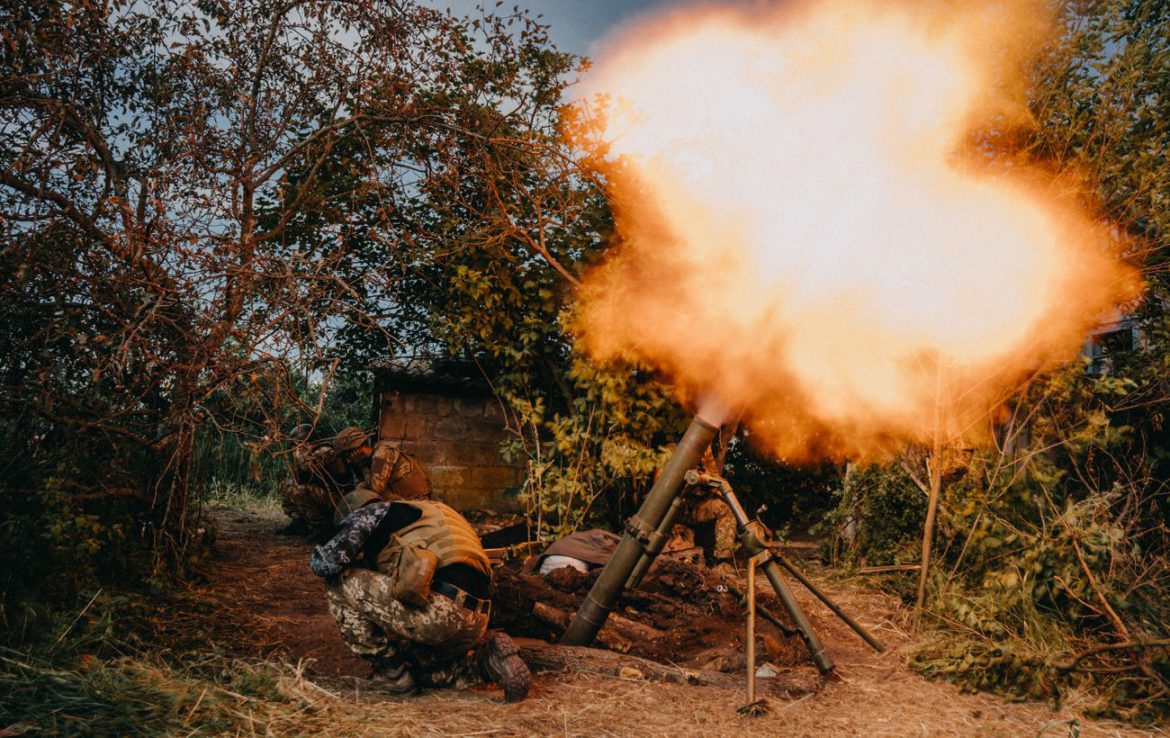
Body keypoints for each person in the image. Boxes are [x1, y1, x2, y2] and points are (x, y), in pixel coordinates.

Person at [310, 489, 531, 701]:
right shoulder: (435, 512)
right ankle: (486, 665)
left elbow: (324, 564)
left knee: (337, 582)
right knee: (417, 669)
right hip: (478, 619)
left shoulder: (372, 512)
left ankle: (391, 678)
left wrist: (330, 537)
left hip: (441, 613)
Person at [279, 424, 355, 534]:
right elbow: (299, 477)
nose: (296, 446)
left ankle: (320, 528)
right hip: (324, 493)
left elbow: (306, 465)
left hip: (338, 498)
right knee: (286, 484)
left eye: (298, 443)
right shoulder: (310, 452)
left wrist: (299, 454)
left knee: (301, 490)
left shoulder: (325, 451)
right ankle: (299, 522)